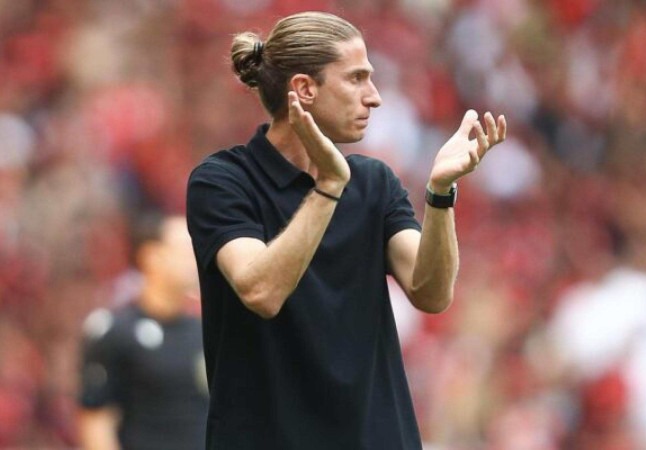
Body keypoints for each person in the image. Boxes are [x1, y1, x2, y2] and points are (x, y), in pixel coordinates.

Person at [186, 11, 506, 450]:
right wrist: (328, 188)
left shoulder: (374, 182)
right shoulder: (223, 180)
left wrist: (440, 191)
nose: (374, 97)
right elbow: (261, 290)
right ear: (304, 90)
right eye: (356, 78)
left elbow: (431, 292)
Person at [78, 213, 209, 450]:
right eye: (184, 251)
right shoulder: (114, 331)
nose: (194, 260)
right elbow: (97, 422)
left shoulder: (204, 332)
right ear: (151, 256)